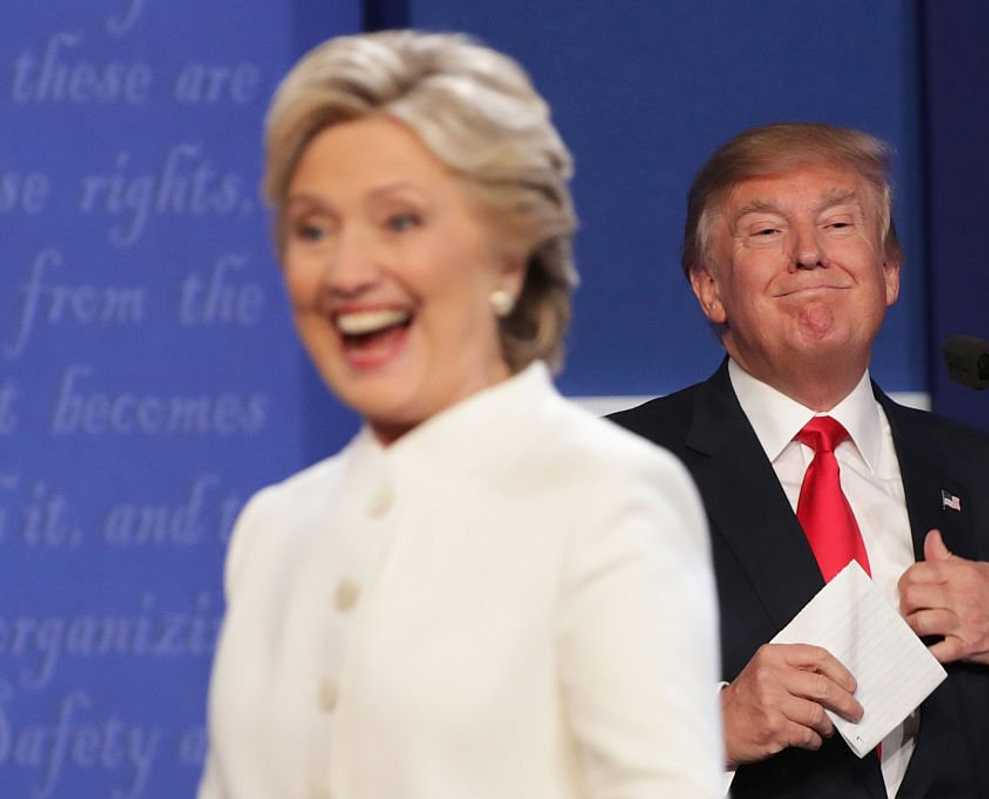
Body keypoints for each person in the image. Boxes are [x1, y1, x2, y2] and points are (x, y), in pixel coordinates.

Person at [198, 31, 723, 799]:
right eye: (314, 229)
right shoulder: (274, 528)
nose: (346, 272)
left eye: (400, 221)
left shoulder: (607, 496)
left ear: (509, 256)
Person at [610, 123, 989, 798]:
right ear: (709, 287)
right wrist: (710, 729)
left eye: (839, 223)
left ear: (890, 272)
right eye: (766, 231)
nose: (810, 254)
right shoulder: (614, 478)